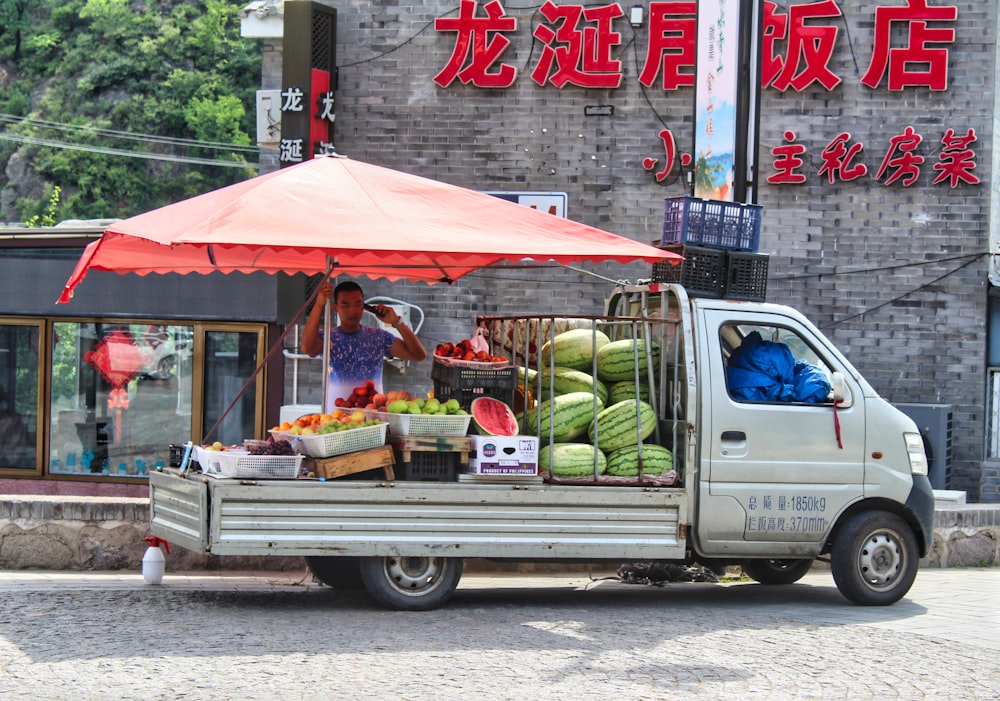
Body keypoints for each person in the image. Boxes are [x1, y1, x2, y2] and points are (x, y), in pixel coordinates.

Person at [302, 280, 427, 412]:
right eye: (345, 305)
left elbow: (418, 355)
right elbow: (308, 348)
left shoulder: (378, 336)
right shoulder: (328, 337)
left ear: (364, 306)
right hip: (336, 417)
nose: (352, 310)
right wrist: (319, 304)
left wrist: (397, 322)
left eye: (357, 304)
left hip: (373, 416)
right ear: (336, 308)